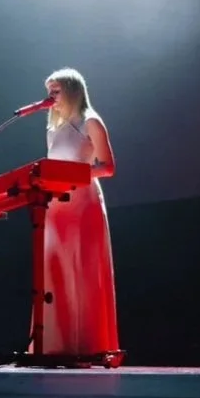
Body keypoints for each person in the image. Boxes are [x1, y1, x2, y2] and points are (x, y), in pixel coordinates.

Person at [40, 67, 119, 355]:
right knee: (54, 270)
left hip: (82, 203)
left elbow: (108, 167)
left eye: (56, 91)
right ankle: (56, 344)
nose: (51, 97)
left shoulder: (91, 122)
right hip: (55, 206)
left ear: (73, 91)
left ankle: (87, 344)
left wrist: (75, 173)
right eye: (49, 92)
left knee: (81, 268)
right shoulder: (53, 128)